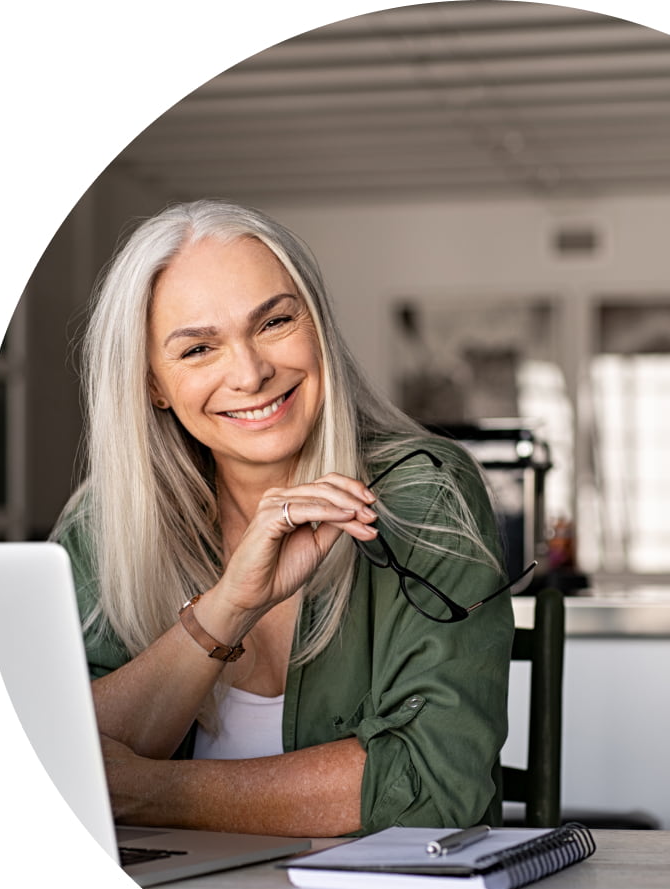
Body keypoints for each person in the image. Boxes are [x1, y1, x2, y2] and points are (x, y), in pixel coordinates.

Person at [53, 199, 525, 838]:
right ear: (152, 385)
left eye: (274, 321)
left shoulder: (422, 490)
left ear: (319, 327)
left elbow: (434, 787)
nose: (250, 373)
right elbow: (48, 760)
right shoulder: (105, 521)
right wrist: (228, 608)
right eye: (197, 349)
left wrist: (150, 792)